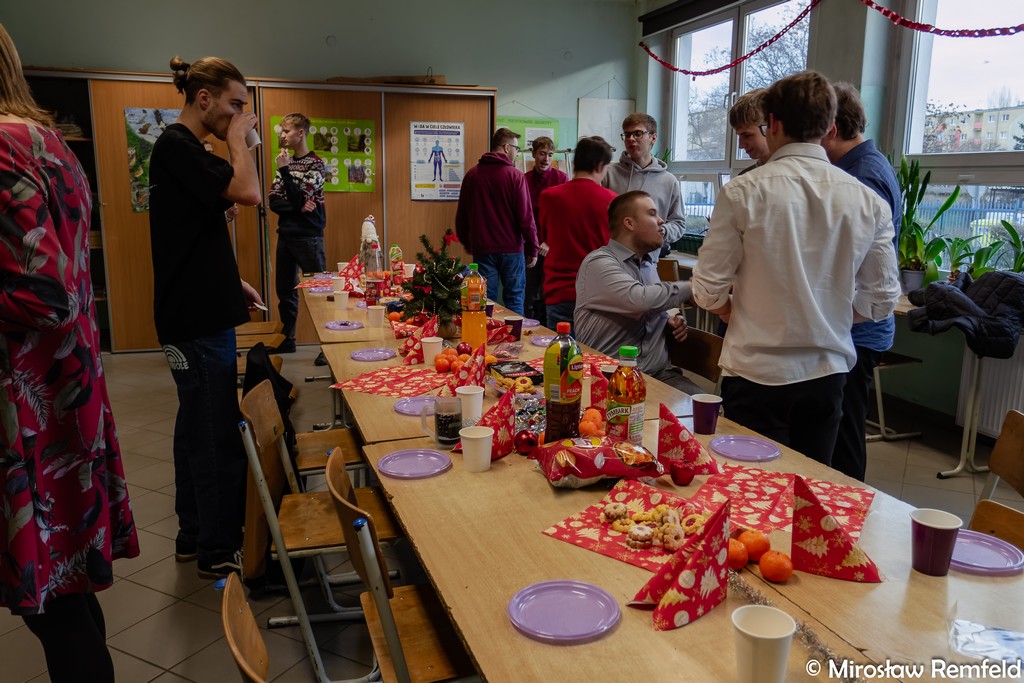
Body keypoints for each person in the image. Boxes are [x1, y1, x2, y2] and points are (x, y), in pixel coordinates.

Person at [0, 22, 139, 681]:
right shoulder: (45, 140)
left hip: (27, 407)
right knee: (68, 586)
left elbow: (43, 293)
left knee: (55, 608)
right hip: (63, 392)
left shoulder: (3, 148)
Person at [691, 71, 901, 464]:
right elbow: (882, 300)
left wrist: (732, 312)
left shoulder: (742, 192)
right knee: (810, 485)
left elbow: (706, 290)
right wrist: (828, 316)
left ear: (772, 123)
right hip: (826, 372)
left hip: (756, 370)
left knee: (754, 487)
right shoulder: (866, 200)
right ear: (829, 125)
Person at [148, 55, 264, 578]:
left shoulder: (185, 151)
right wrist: (240, 140)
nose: (240, 115)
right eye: (235, 105)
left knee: (195, 424)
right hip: (195, 320)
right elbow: (250, 192)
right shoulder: (179, 145)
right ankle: (218, 550)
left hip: (197, 306)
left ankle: (193, 534)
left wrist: (230, 282)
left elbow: (190, 234)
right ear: (204, 99)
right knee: (215, 432)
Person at [821, 81, 903, 481]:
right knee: (839, 430)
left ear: (832, 129)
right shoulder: (858, 167)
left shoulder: (864, 177)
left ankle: (848, 510)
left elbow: (854, 259)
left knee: (845, 439)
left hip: (858, 326)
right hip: (852, 323)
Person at [575, 191, 702, 395]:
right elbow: (638, 300)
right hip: (609, 378)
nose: (661, 221)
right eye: (652, 213)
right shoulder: (598, 263)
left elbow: (650, 302)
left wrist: (667, 319)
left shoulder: (648, 264)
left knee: (709, 410)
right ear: (629, 223)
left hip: (659, 375)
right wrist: (691, 288)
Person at [455, 127, 539, 314]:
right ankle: (515, 333)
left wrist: (468, 243)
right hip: (512, 250)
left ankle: (485, 332)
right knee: (514, 298)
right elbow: (526, 217)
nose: (516, 153)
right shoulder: (515, 176)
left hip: (483, 249)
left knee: (486, 300)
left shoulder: (472, 175)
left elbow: (462, 215)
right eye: (516, 149)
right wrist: (533, 248)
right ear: (507, 147)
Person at [540, 135, 617, 329]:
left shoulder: (549, 197)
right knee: (596, 349)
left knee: (562, 347)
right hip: (599, 292)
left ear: (575, 163)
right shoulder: (613, 201)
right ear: (599, 166)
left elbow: (545, 237)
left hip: (559, 291)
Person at [269, 112, 327, 354]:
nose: (282, 135)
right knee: (285, 292)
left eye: (287, 131)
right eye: (282, 131)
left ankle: (327, 349)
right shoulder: (286, 162)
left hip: (308, 237)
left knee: (321, 293)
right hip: (286, 235)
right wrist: (298, 207)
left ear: (300, 133)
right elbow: (273, 201)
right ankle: (288, 341)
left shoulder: (316, 164)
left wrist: (285, 173)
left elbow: (300, 197)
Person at [603, 113, 686, 254]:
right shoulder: (608, 173)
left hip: (648, 261)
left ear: (653, 137)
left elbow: (678, 224)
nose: (631, 139)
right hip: (611, 257)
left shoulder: (669, 181)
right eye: (627, 134)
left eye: (638, 134)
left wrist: (661, 230)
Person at [524, 136, 568, 322]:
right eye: (542, 154)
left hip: (552, 247)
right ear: (534, 154)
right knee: (528, 294)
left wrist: (549, 242)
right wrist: (533, 243)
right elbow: (523, 215)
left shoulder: (561, 179)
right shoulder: (524, 180)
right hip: (529, 245)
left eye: (550, 155)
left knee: (547, 295)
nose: (546, 159)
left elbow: (564, 216)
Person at [729, 88, 770, 175]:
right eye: (739, 136)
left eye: (747, 135)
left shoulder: (794, 174)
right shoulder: (744, 177)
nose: (741, 145)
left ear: (769, 128)